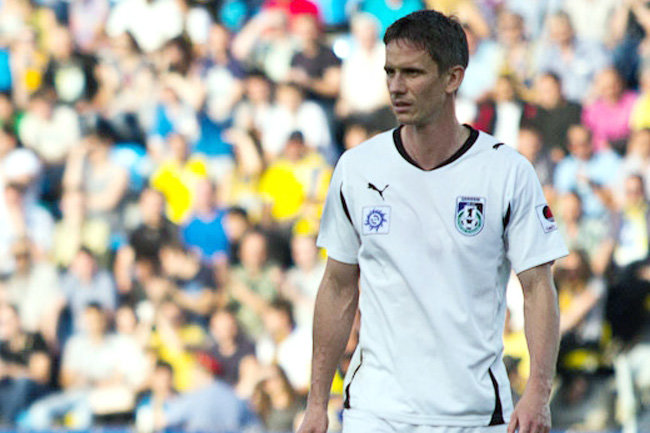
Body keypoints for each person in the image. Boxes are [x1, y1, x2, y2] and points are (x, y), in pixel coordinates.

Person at [298, 10, 568, 433]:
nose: (396, 86)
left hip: (475, 414)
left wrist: (538, 391)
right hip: (375, 412)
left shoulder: (506, 172)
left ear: (452, 78)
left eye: (412, 73)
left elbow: (538, 288)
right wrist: (316, 403)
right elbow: (337, 285)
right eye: (390, 72)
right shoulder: (357, 168)